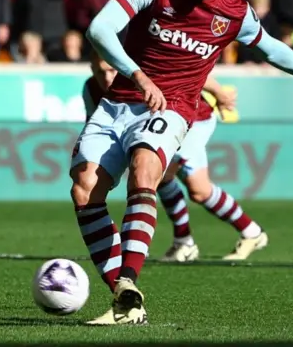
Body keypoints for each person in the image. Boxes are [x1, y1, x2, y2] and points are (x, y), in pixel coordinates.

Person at [71, 0, 293, 326]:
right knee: (84, 191)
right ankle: (124, 297)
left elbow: (272, 48)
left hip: (172, 108)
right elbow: (99, 28)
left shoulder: (234, 12)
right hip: (120, 102)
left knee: (145, 169)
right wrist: (137, 75)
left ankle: (130, 277)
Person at [83, 52, 268, 263]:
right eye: (100, 72)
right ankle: (250, 232)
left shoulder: (141, 72)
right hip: (159, 126)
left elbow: (188, 69)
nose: (107, 78)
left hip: (193, 119)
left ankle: (185, 242)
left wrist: (219, 92)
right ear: (91, 68)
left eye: (112, 70)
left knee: (163, 174)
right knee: (199, 190)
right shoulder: (91, 89)